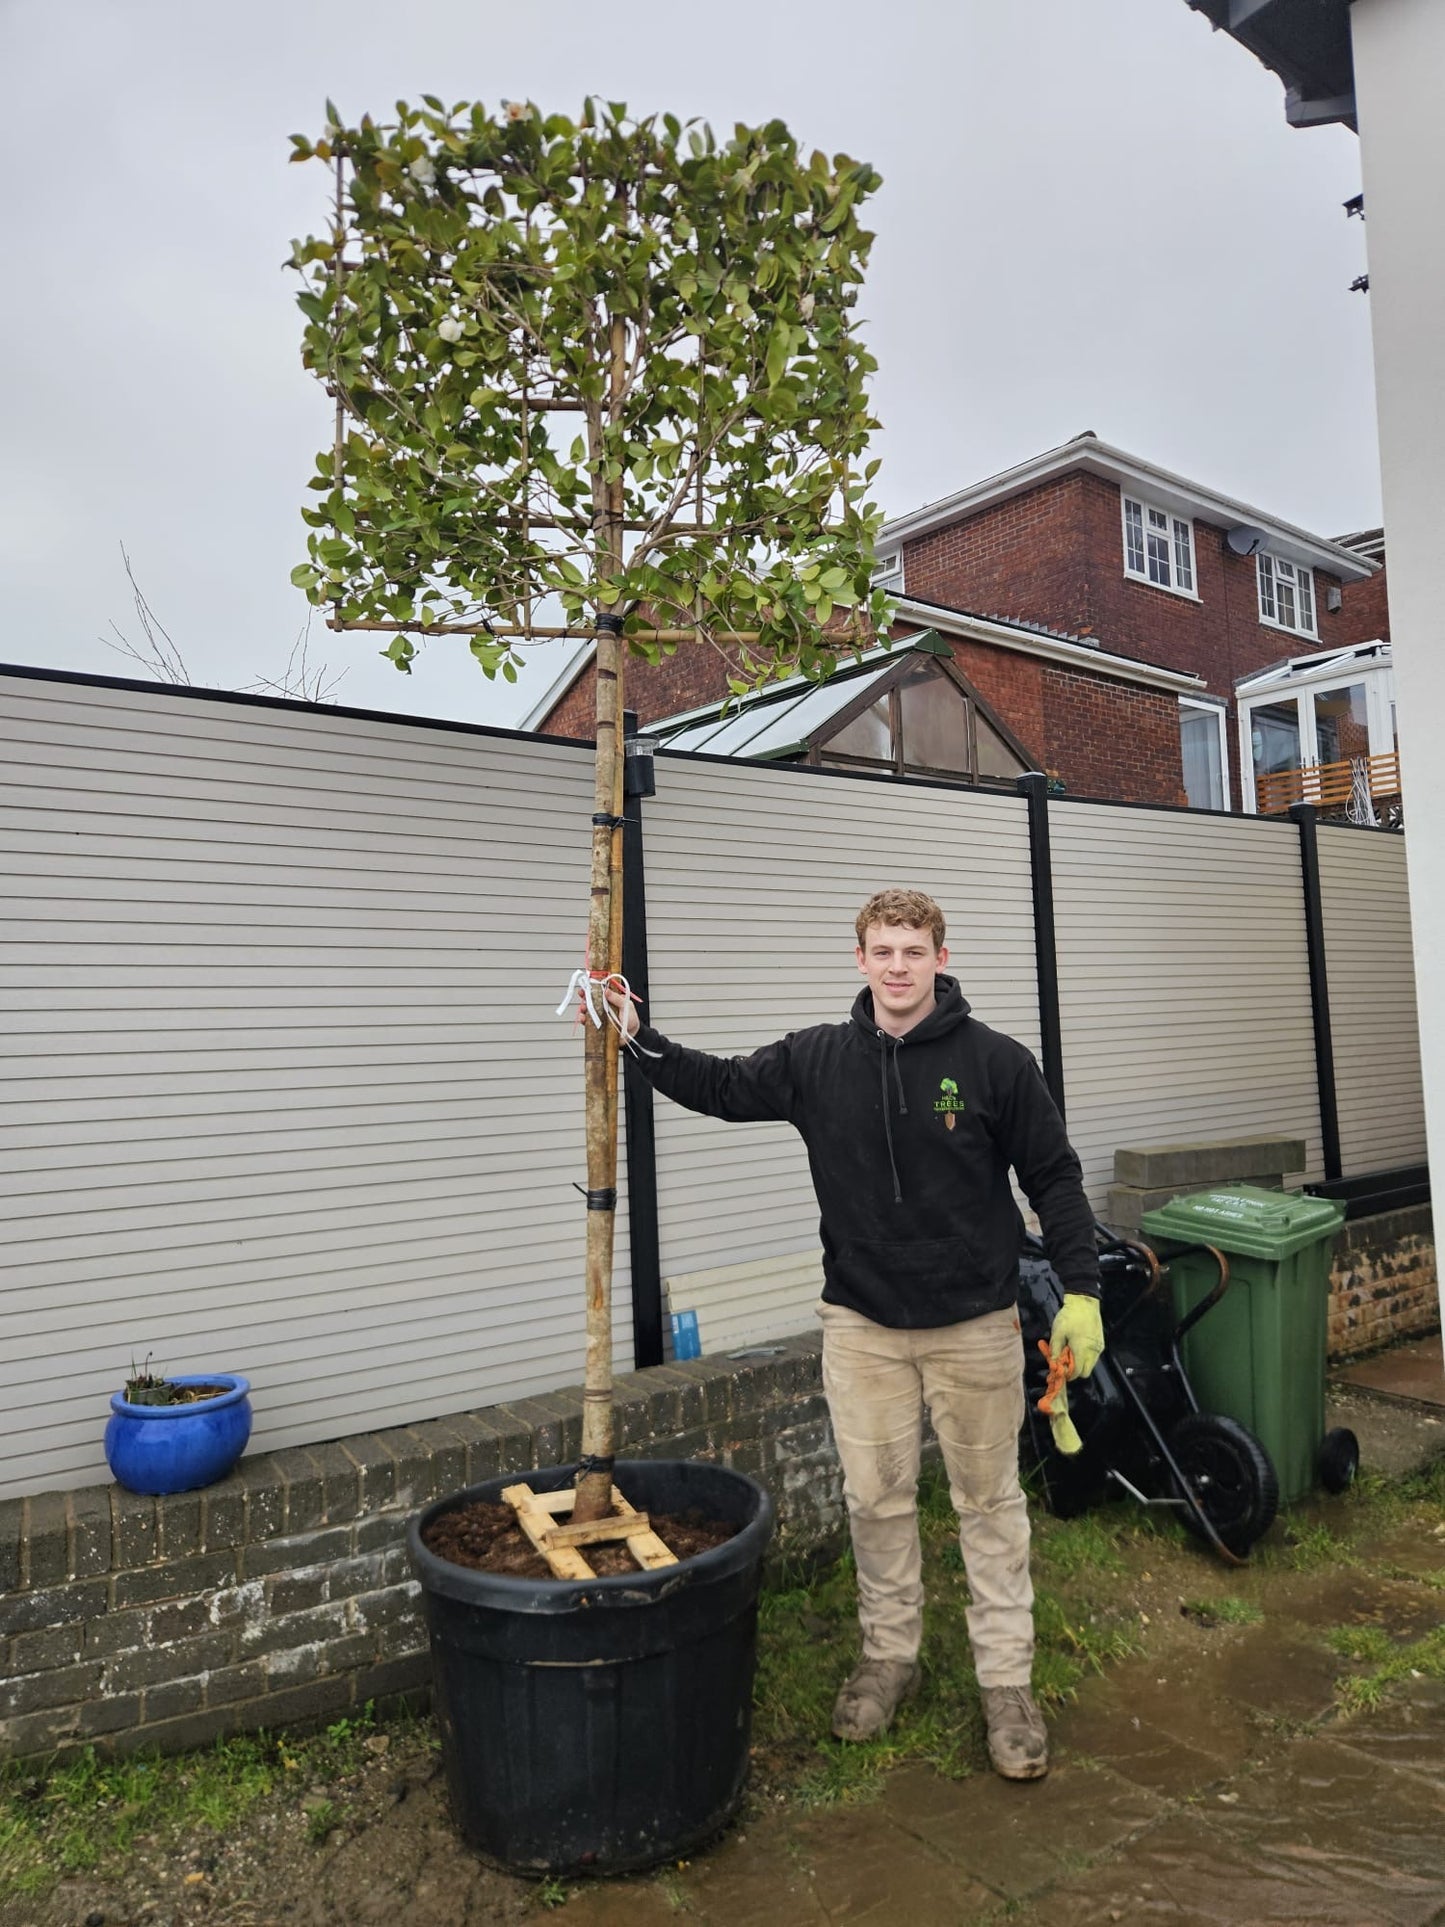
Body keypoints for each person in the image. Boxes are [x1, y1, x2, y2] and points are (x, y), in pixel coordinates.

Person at [604, 888, 1103, 1782]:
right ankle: (888, 1656)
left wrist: (1081, 1290)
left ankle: (1006, 1684)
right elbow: (716, 1086)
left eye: (914, 949)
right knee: (876, 1501)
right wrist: (639, 1034)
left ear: (940, 957)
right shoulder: (814, 1059)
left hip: (975, 1324)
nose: (899, 965)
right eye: (883, 950)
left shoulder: (995, 1063)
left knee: (989, 1507)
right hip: (863, 1325)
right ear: (860, 959)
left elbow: (1054, 1177)